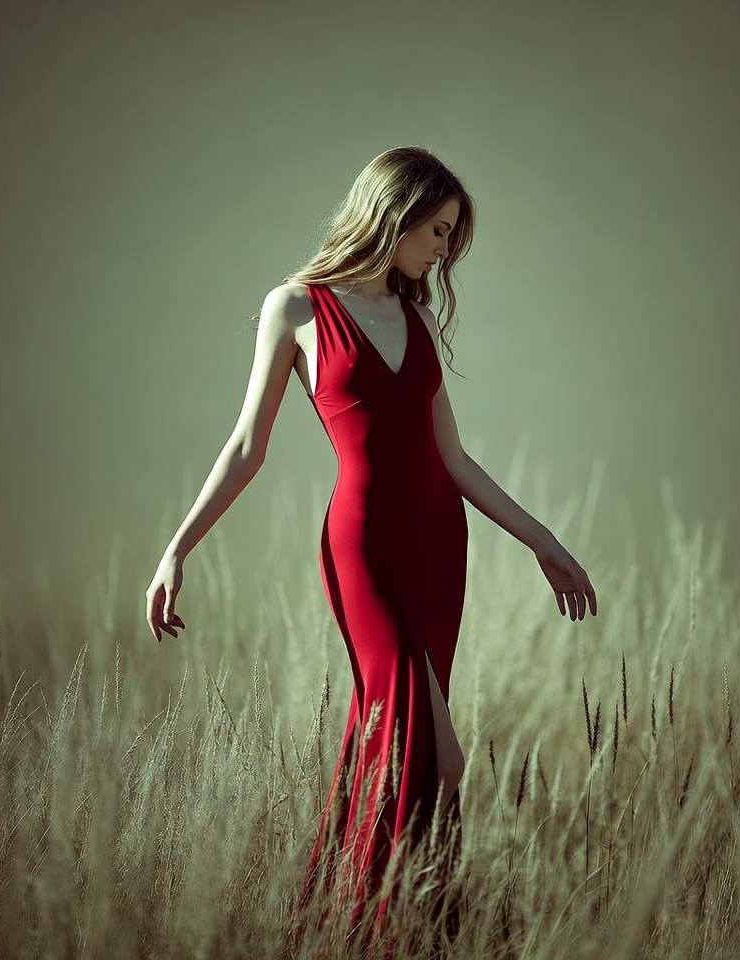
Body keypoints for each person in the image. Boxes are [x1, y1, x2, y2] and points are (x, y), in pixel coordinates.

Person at [145, 146, 597, 954]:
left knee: (390, 750)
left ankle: (370, 929)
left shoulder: (419, 316)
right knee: (441, 756)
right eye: (436, 230)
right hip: (364, 548)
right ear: (393, 213)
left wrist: (543, 541)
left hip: (437, 547)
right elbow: (247, 444)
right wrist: (178, 548)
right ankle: (393, 922)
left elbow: (453, 461)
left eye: (453, 237)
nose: (444, 251)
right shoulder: (296, 307)